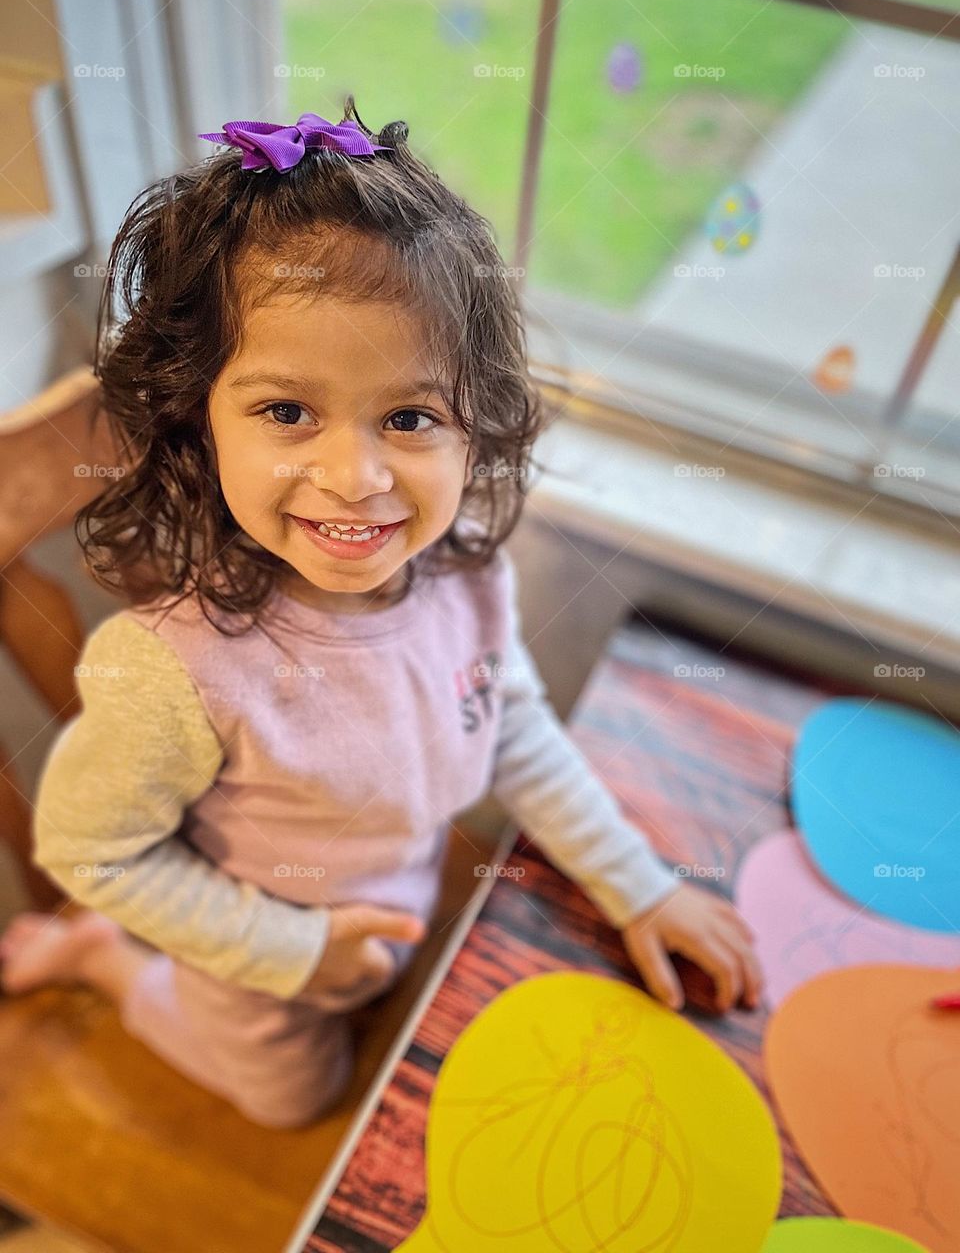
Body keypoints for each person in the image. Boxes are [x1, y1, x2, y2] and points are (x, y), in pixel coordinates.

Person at [0, 101, 762, 1129]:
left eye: (409, 416)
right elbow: (93, 849)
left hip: (398, 909)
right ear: (197, 414)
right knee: (293, 1102)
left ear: (473, 422)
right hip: (252, 967)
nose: (356, 477)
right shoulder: (172, 668)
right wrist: (291, 950)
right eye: (286, 411)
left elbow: (513, 728)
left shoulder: (467, 577)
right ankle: (114, 968)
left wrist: (640, 886)